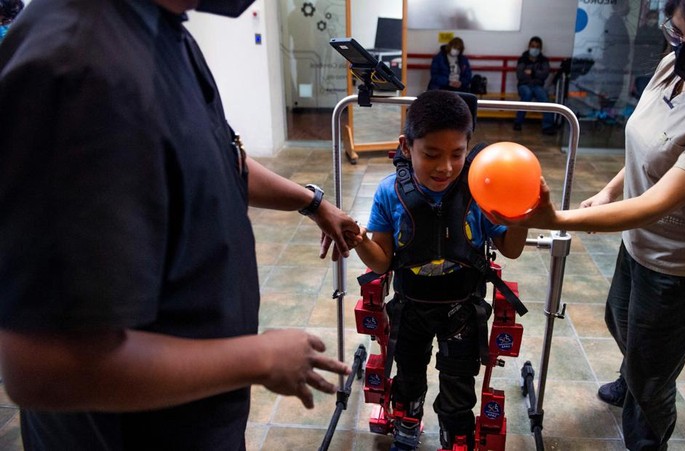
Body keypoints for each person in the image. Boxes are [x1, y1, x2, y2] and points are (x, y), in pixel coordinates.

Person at [0, 0, 359, 449]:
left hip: (196, 420)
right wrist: (259, 357)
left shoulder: (162, 33)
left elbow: (214, 156)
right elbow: (44, 368)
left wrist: (311, 202)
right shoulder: (80, 69)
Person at [488, 1, 685, 450]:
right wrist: (608, 191)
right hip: (639, 242)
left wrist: (556, 219)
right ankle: (633, 376)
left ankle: (648, 432)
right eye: (677, 33)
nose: (683, 47)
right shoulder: (672, 67)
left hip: (681, 259)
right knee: (619, 320)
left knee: (654, 369)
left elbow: (654, 205)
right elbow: (649, 144)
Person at [352, 90, 527, 451]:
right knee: (409, 374)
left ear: (468, 148)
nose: (445, 167)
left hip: (462, 310)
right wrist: (356, 238)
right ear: (406, 146)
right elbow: (382, 261)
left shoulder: (479, 191)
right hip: (410, 307)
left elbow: (511, 249)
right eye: (431, 154)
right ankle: (407, 421)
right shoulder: (389, 193)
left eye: (457, 154)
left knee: (459, 384)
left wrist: (523, 214)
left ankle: (456, 437)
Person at [514, 36, 556, 134]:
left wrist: (531, 72)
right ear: (529, 46)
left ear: (540, 49)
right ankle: (518, 122)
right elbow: (520, 75)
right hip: (524, 85)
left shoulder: (544, 60)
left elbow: (544, 74)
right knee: (527, 94)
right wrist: (536, 73)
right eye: (533, 46)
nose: (535, 49)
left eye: (537, 47)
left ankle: (548, 126)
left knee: (544, 98)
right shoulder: (523, 59)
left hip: (538, 86)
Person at [631, 10, 667, 99]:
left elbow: (659, 49)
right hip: (641, 68)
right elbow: (637, 49)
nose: (652, 20)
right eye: (651, 17)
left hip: (653, 69)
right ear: (646, 18)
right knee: (642, 93)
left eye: (655, 18)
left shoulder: (659, 33)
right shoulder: (641, 31)